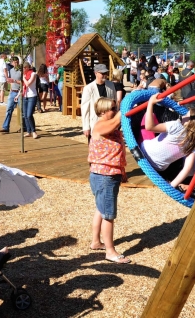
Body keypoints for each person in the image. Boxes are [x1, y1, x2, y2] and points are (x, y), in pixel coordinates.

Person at [88, 97, 130, 264]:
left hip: (109, 173)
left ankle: (96, 242)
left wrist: (123, 170)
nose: (115, 110)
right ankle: (110, 252)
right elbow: (114, 123)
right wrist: (126, 106)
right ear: (103, 111)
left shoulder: (111, 128)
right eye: (113, 108)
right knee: (108, 214)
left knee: (101, 208)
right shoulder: (100, 125)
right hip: (104, 176)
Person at [140, 94, 195, 173]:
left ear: (190, 123)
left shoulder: (176, 126)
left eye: (186, 115)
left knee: (148, 117)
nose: (183, 116)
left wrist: (150, 103)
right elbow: (187, 169)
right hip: (159, 167)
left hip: (144, 153)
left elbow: (149, 127)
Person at [81, 64, 117, 140]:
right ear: (96, 73)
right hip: (95, 123)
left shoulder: (111, 85)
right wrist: (86, 126)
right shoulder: (88, 88)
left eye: (105, 73)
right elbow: (85, 109)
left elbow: (115, 102)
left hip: (109, 122)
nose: (104, 75)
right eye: (102, 73)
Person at [0, 57, 23, 133]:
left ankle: (24, 127)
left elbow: (23, 82)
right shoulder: (11, 71)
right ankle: (5, 127)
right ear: (12, 63)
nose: (16, 64)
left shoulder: (21, 71)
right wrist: (10, 92)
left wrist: (15, 81)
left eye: (17, 62)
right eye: (14, 62)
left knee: (22, 111)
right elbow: (11, 82)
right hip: (13, 92)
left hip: (20, 92)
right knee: (8, 109)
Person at [22, 62, 39, 139]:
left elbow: (28, 84)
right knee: (25, 115)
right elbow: (23, 86)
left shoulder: (33, 74)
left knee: (29, 115)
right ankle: (28, 131)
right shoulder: (24, 75)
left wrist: (23, 78)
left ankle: (34, 131)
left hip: (32, 96)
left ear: (27, 68)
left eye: (24, 68)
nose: (23, 70)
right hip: (25, 96)